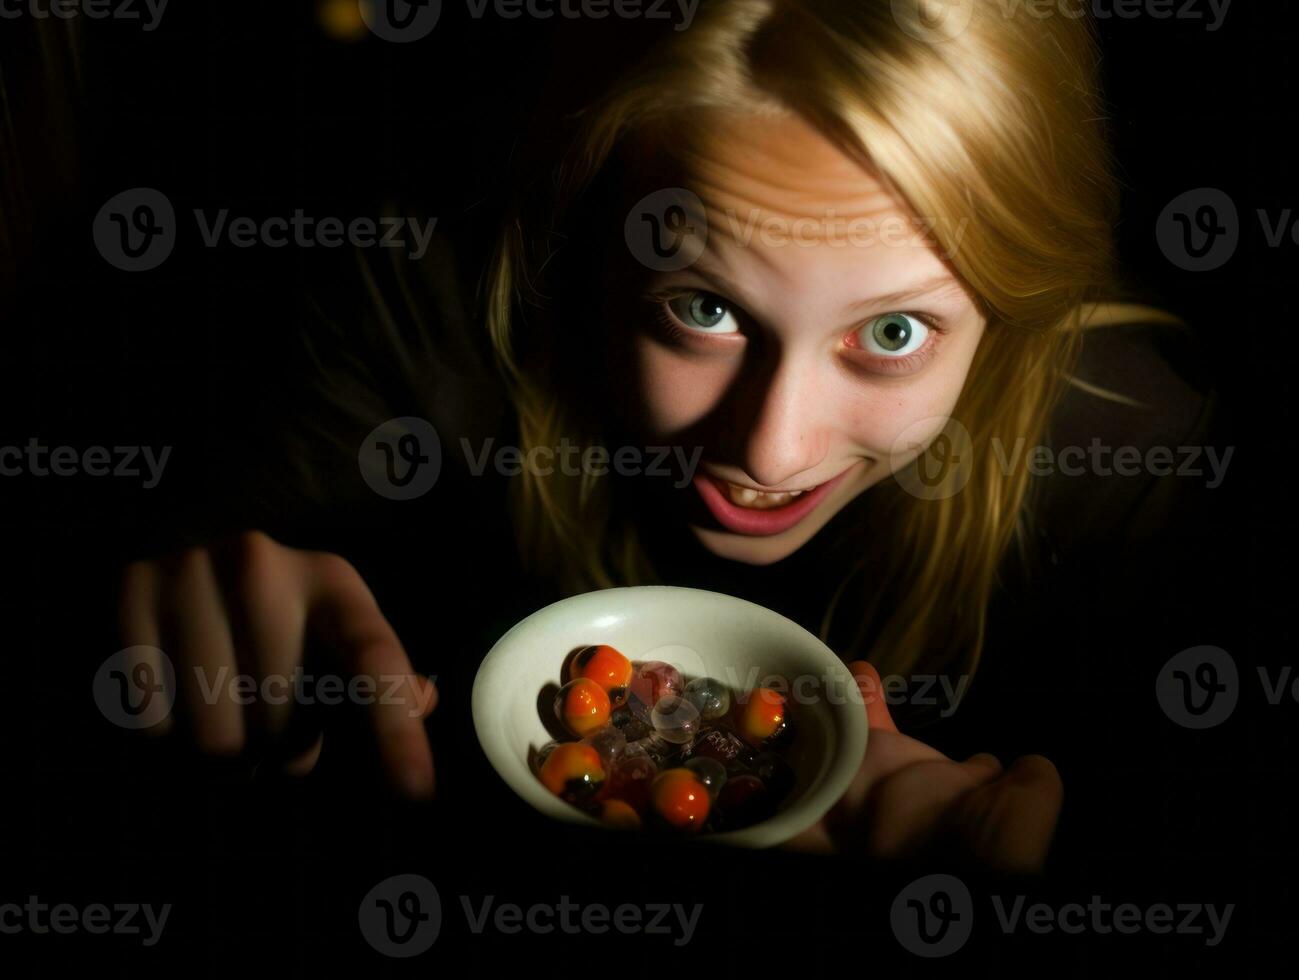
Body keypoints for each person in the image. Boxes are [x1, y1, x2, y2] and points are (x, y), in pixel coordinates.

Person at [114, 0, 1220, 875]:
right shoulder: (422, 321)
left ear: (1012, 302)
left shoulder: (1139, 472)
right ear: (593, 224)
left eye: (891, 330)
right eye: (703, 307)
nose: (773, 453)